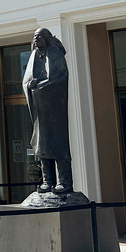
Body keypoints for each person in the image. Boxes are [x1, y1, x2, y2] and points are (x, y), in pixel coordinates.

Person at [22, 28, 72, 196]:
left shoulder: (55, 53)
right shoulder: (35, 55)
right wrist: (30, 85)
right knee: (42, 145)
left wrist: (40, 87)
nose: (36, 40)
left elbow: (59, 78)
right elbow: (26, 80)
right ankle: (47, 181)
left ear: (47, 39)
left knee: (58, 145)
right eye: (34, 37)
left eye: (39, 37)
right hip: (40, 111)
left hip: (54, 109)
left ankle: (64, 182)